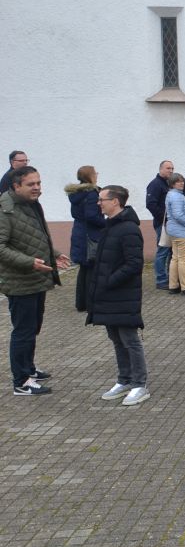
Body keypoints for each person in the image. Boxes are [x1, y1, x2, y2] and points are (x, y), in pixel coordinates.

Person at [0, 167, 70, 395]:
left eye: (38, 183)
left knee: (33, 328)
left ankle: (28, 368)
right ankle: (21, 382)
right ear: (16, 186)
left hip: (36, 278)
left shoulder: (30, 204)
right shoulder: (5, 210)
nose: (37, 188)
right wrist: (30, 262)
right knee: (23, 331)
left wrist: (54, 253)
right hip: (20, 282)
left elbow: (32, 237)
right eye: (31, 184)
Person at [88, 184, 150, 406]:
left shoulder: (129, 229)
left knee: (130, 339)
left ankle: (139, 384)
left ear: (115, 201)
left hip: (123, 294)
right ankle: (124, 379)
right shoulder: (110, 226)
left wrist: (109, 281)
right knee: (116, 338)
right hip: (108, 295)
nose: (99, 203)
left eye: (102, 199)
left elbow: (134, 264)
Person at [65, 165, 104, 312]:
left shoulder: (76, 193)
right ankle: (90, 303)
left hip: (79, 231)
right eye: (95, 173)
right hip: (90, 234)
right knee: (91, 268)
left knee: (84, 269)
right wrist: (106, 224)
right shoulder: (91, 193)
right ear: (90, 176)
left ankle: (81, 303)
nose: (97, 175)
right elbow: (92, 216)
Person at [165, 173, 185, 295]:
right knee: (183, 259)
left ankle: (173, 286)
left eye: (182, 181)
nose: (182, 183)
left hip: (174, 231)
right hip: (182, 232)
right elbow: (178, 215)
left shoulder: (171, 194)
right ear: (172, 184)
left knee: (175, 258)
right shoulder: (177, 196)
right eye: (178, 181)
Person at [146, 160, 174, 290]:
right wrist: (164, 218)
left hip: (171, 224)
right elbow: (150, 204)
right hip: (162, 225)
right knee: (163, 251)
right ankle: (161, 280)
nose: (171, 170)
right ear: (161, 169)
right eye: (168, 168)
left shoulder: (169, 184)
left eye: (172, 168)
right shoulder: (155, 184)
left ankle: (171, 277)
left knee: (172, 252)